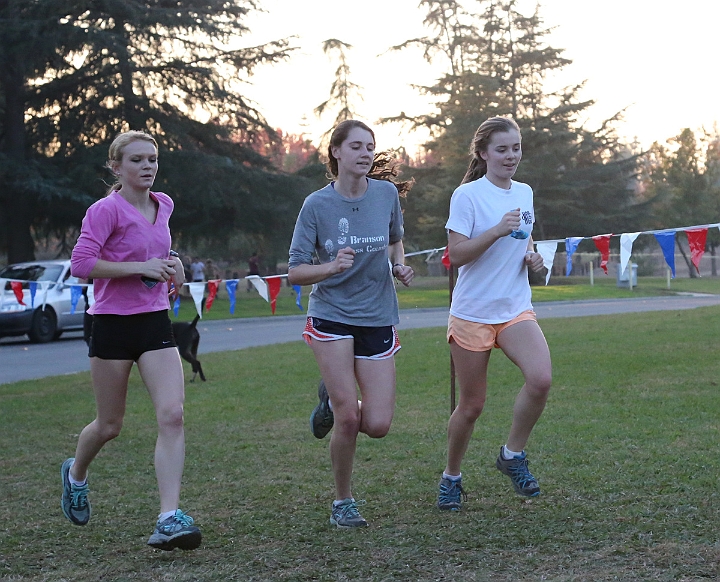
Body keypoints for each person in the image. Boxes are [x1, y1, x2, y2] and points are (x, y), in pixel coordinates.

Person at [62, 130, 201, 551]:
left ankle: (168, 517)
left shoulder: (165, 205)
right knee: (109, 425)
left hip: (154, 321)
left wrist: (174, 265)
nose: (147, 167)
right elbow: (81, 264)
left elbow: (161, 251)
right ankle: (75, 475)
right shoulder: (104, 211)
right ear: (116, 167)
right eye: (137, 160)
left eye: (153, 159)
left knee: (173, 414)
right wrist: (140, 267)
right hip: (111, 325)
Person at [287, 120, 414, 528]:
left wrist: (399, 264)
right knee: (349, 418)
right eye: (356, 146)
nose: (365, 153)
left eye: (370, 147)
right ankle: (343, 502)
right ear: (336, 153)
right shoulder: (316, 205)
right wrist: (329, 267)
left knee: (376, 424)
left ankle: (329, 398)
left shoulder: (386, 194)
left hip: (378, 314)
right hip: (332, 315)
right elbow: (295, 272)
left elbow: (395, 238)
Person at [437, 116, 552, 511]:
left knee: (541, 379)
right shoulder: (467, 196)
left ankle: (512, 455)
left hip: (514, 307)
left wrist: (533, 259)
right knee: (471, 407)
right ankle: (451, 477)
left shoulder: (525, 192)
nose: (511, 156)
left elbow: (525, 242)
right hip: (472, 312)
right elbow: (457, 256)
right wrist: (495, 232)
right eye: (502, 149)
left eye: (516, 148)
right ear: (484, 153)